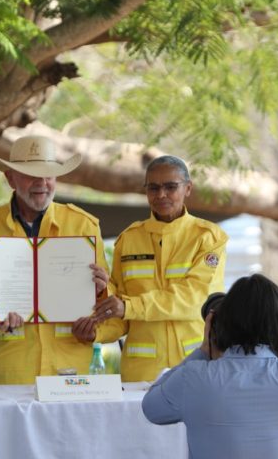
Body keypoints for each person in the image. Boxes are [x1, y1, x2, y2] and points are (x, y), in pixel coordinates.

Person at [0, 135, 124, 385]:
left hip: (70, 371)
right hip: (5, 373)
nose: (41, 183)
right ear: (10, 177)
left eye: (49, 175)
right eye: (30, 174)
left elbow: (108, 298)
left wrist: (101, 289)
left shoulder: (83, 225)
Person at [142, 274, 278, 459]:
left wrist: (203, 350)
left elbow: (151, 407)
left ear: (222, 324)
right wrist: (276, 343)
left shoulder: (193, 378)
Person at [91, 155, 228, 381]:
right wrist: (96, 330)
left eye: (171, 187)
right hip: (139, 374)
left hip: (195, 365)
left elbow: (193, 298)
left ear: (188, 188)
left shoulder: (209, 238)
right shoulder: (128, 239)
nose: (161, 194)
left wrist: (128, 305)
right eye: (153, 188)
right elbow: (120, 314)